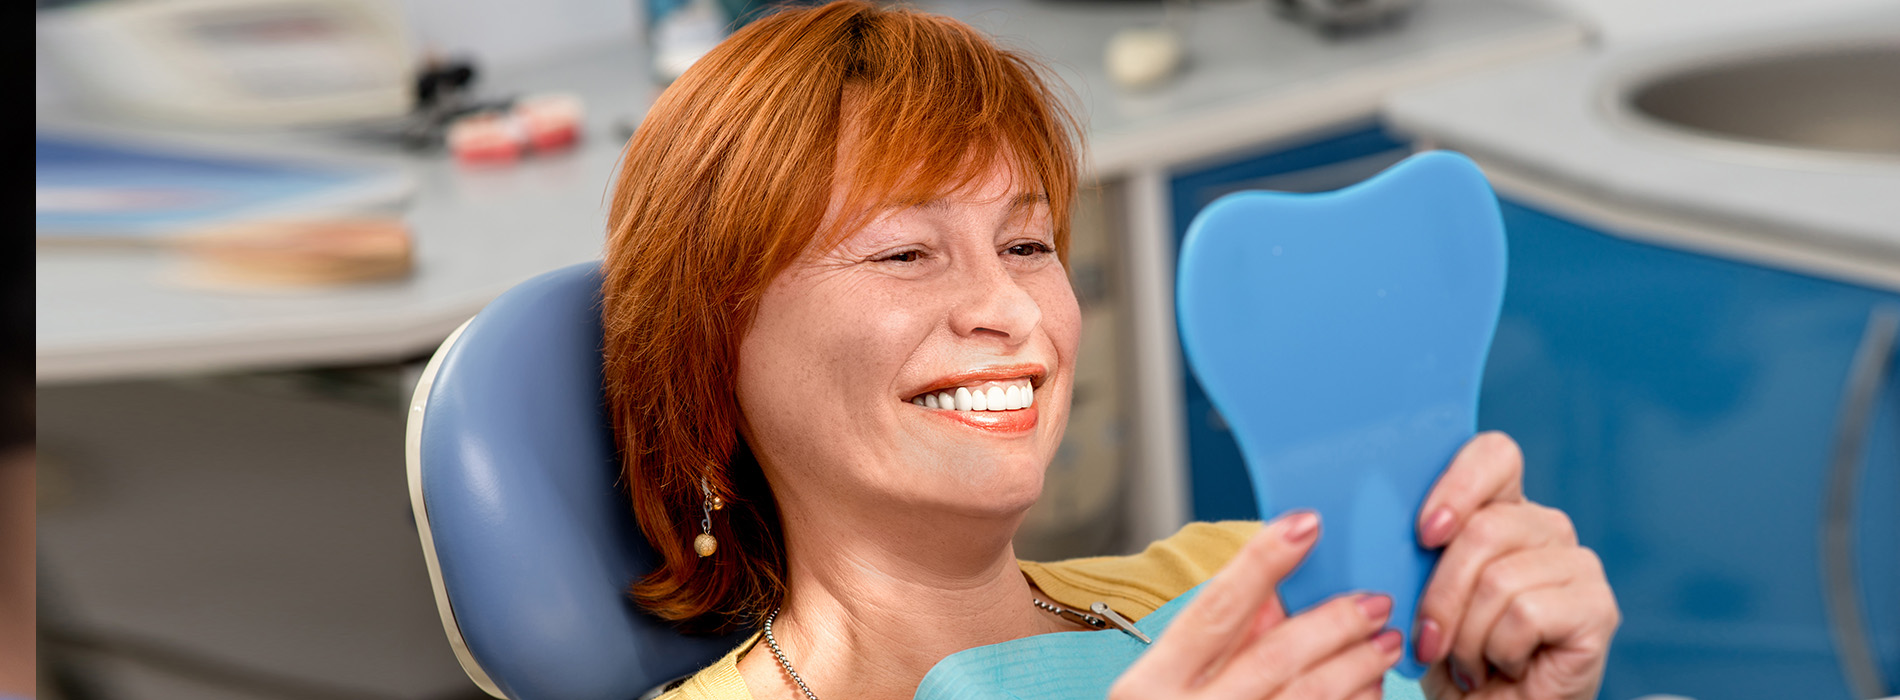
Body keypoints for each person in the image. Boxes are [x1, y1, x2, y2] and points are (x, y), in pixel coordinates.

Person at [599, 2, 1619, 699]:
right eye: (905, 251)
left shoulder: (1248, 578)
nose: (1009, 306)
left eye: (1027, 244)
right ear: (708, 357)